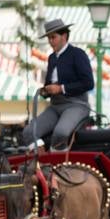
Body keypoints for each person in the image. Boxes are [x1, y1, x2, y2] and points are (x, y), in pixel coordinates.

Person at [22, 17, 94, 151]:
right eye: (48, 38)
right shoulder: (51, 58)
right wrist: (46, 90)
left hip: (76, 105)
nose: (50, 41)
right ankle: (43, 165)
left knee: (60, 133)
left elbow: (88, 83)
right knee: (28, 132)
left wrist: (61, 88)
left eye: (53, 37)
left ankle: (58, 168)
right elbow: (50, 84)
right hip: (55, 106)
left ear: (64, 36)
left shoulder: (78, 54)